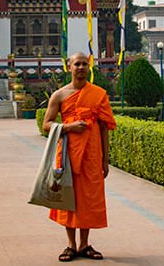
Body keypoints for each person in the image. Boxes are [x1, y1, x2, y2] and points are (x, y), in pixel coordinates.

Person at [42, 52, 116, 262]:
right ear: (69, 67)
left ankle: (84, 244)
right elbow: (46, 125)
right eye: (77, 64)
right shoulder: (60, 95)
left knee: (88, 198)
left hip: (91, 155)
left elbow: (104, 128)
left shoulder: (98, 94)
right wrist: (69, 127)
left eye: (84, 64)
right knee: (68, 198)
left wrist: (104, 159)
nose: (81, 67)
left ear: (89, 67)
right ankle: (70, 245)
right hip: (67, 154)